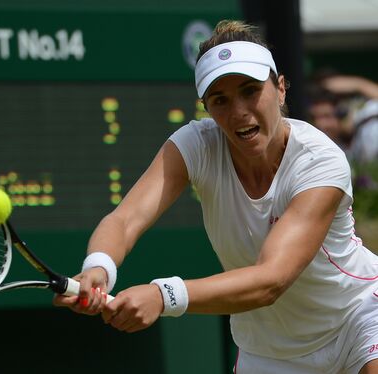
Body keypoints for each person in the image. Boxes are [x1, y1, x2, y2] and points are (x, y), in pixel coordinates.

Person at [54, 20, 378, 373]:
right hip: (268, 349)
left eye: (250, 90)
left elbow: (272, 279)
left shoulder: (320, 160)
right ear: (207, 108)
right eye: (220, 99)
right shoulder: (195, 145)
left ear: (281, 89)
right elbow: (125, 219)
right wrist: (98, 267)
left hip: (358, 318)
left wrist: (164, 295)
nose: (238, 111)